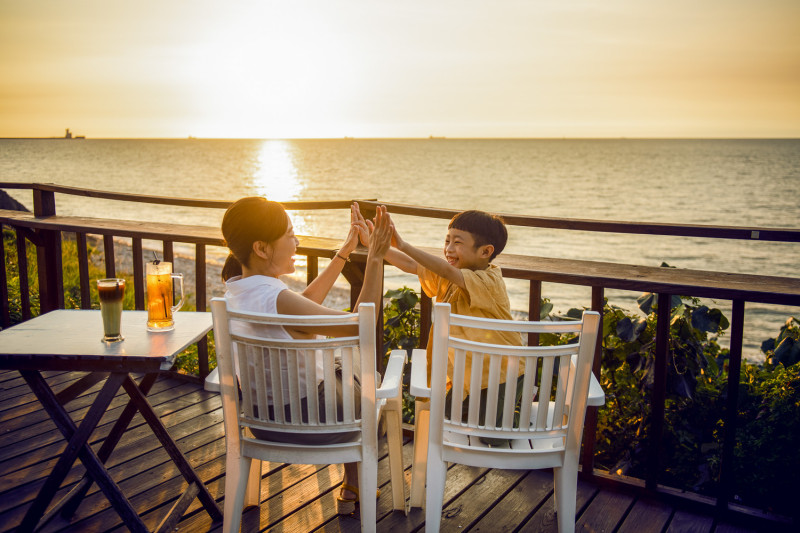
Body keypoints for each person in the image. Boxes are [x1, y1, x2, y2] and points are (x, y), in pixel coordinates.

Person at [220, 197, 391, 514]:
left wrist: (345, 251)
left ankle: (353, 483)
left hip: (262, 422)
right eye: (289, 235)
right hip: (315, 422)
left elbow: (302, 308)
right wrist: (376, 258)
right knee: (367, 372)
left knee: (341, 363)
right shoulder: (276, 298)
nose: (296, 241)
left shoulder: (236, 291)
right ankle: (355, 479)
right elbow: (361, 326)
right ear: (261, 247)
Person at [354, 205, 523, 445]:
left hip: (502, 371)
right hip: (469, 373)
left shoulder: (489, 280)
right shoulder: (455, 273)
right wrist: (376, 245)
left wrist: (401, 244)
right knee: (444, 418)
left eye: (458, 243)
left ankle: (519, 409)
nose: (449, 249)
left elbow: (441, 267)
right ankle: (494, 409)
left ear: (485, 251)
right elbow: (413, 266)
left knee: (491, 438)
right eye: (447, 240)